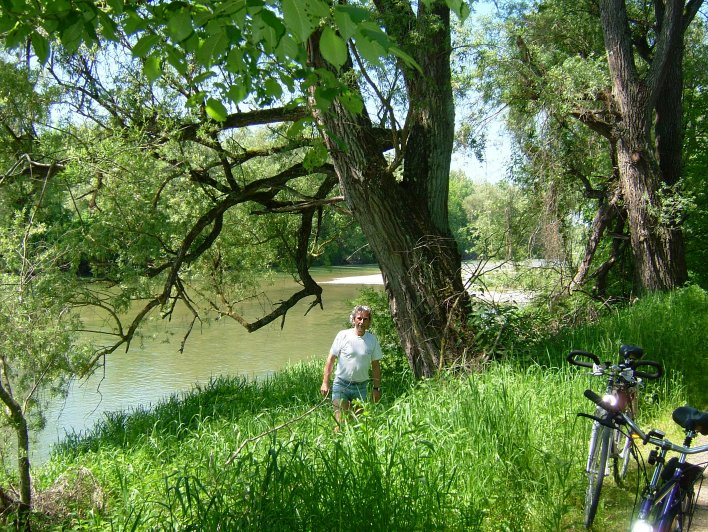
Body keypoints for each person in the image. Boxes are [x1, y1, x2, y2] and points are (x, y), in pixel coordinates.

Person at [320, 305, 382, 427]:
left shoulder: (372, 340)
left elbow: (375, 366)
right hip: (341, 385)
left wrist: (376, 389)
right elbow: (330, 360)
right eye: (359, 318)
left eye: (365, 319)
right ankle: (336, 444)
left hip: (361, 388)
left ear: (369, 322)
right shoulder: (343, 335)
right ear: (353, 320)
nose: (361, 322)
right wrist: (325, 382)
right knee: (341, 422)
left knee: (358, 425)